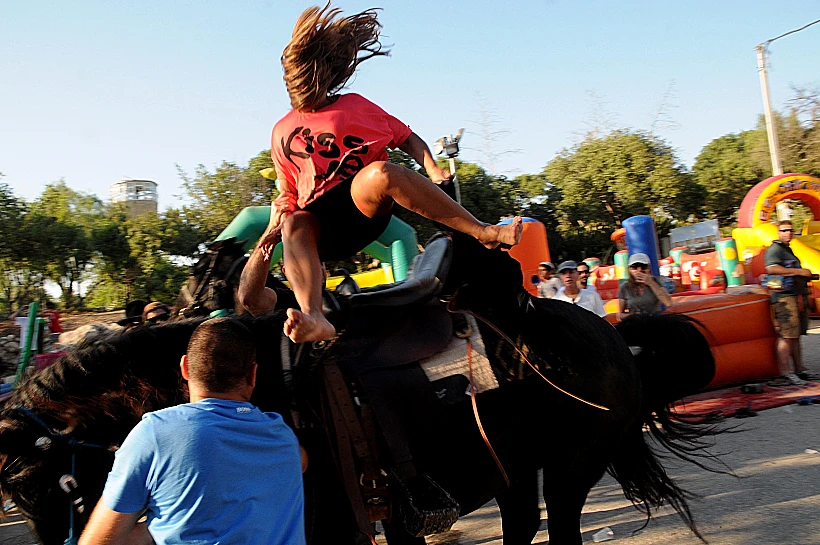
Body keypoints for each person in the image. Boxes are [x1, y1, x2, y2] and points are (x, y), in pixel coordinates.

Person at [270, 4, 522, 344]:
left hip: (360, 207)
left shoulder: (354, 105)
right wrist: (278, 227)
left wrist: (432, 168)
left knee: (380, 172)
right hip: (319, 225)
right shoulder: (281, 130)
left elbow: (407, 138)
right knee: (294, 222)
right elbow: (286, 187)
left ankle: (483, 232)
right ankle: (315, 316)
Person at [79, 318, 306, 545]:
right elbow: (301, 461)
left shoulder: (154, 434)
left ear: (185, 368)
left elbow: (98, 542)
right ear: (253, 375)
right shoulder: (284, 440)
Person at [764, 220, 819, 385]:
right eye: (784, 230)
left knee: (795, 336)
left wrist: (807, 276)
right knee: (787, 336)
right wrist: (799, 271)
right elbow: (771, 269)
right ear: (778, 233)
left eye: (790, 230)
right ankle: (786, 373)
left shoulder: (787, 249)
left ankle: (800, 370)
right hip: (783, 298)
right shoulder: (774, 249)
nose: (788, 233)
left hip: (795, 295)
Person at [237, 217, 298, 315]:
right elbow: (251, 299)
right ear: (286, 272)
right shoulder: (289, 302)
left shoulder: (330, 296)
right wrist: (272, 228)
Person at [617, 253, 673, 320]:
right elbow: (619, 316)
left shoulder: (656, 281)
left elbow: (668, 303)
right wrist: (632, 316)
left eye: (643, 266)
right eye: (635, 267)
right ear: (629, 269)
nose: (639, 270)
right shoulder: (625, 287)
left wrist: (651, 283)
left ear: (648, 268)